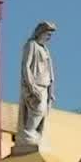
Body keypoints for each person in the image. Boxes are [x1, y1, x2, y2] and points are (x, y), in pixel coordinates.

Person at [15, 22, 57, 154]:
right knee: (37, 110)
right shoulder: (31, 45)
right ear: (41, 32)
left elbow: (49, 71)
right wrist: (31, 86)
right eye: (48, 34)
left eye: (50, 35)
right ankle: (28, 133)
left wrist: (51, 90)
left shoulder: (45, 49)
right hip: (35, 86)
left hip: (45, 86)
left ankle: (34, 134)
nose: (49, 37)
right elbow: (26, 66)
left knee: (43, 113)